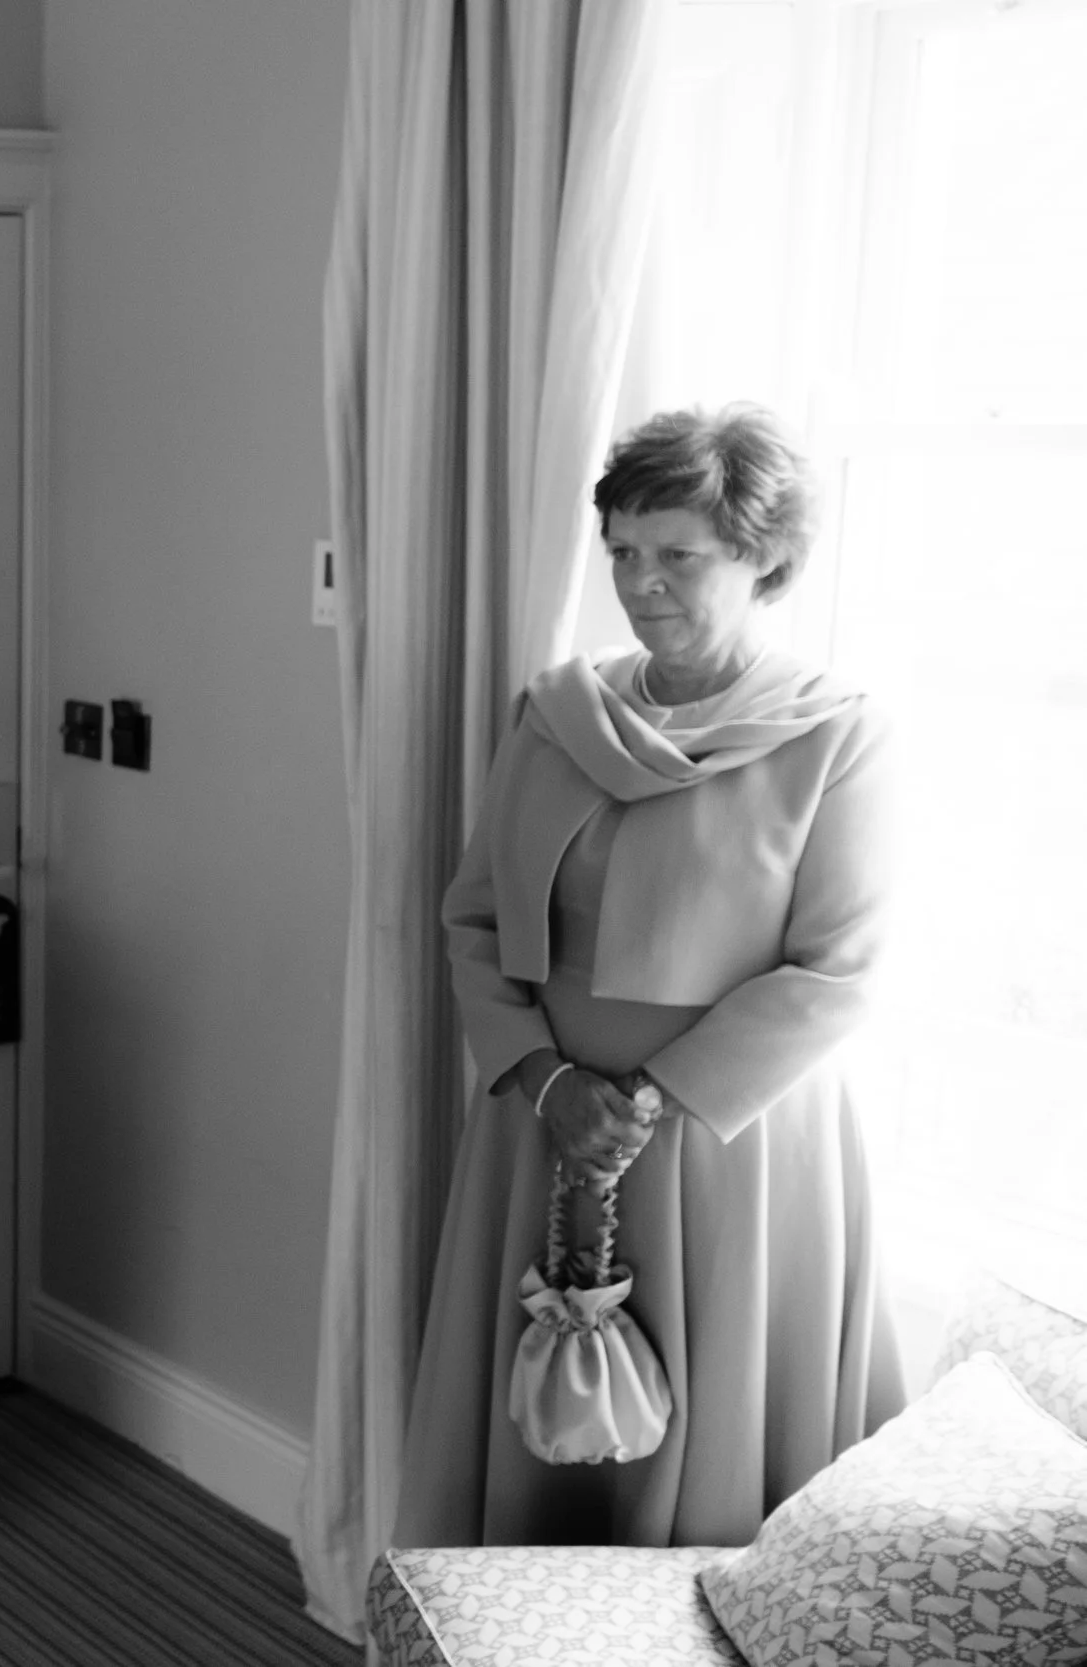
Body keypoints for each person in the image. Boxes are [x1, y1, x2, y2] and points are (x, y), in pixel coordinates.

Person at [395, 405, 904, 1550]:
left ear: (763, 559)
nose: (641, 582)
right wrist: (542, 1079)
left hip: (732, 1138)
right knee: (541, 1415)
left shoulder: (836, 735)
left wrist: (643, 1105)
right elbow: (471, 913)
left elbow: (838, 969)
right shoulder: (557, 711)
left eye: (679, 554)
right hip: (544, 1113)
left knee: (708, 1421)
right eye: (623, 551)